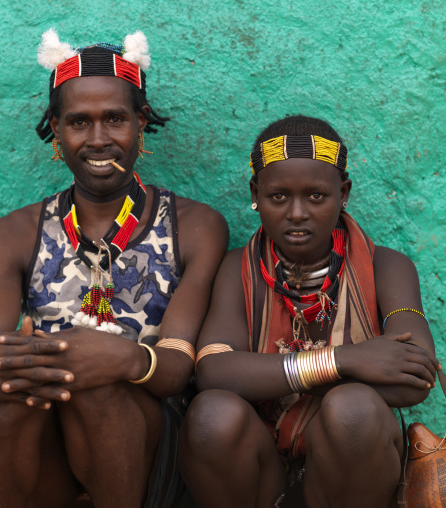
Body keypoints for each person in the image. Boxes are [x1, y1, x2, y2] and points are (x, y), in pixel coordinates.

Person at [0, 29, 228, 508]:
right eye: (79, 122)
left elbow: (178, 367)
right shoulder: (15, 233)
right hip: (46, 431)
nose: (99, 140)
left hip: (145, 436)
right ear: (56, 129)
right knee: (0, 395)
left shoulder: (196, 227)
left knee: (97, 389)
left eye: (115, 119)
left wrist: (124, 358)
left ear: (140, 122)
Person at [179, 115, 439, 508]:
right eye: (278, 196)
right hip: (260, 462)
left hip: (352, 467)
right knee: (211, 415)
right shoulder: (238, 269)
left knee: (354, 409)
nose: (297, 213)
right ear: (255, 192)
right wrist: (346, 361)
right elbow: (214, 370)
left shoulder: (387, 267)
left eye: (316, 196)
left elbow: (414, 378)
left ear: (344, 193)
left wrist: (269, 373)